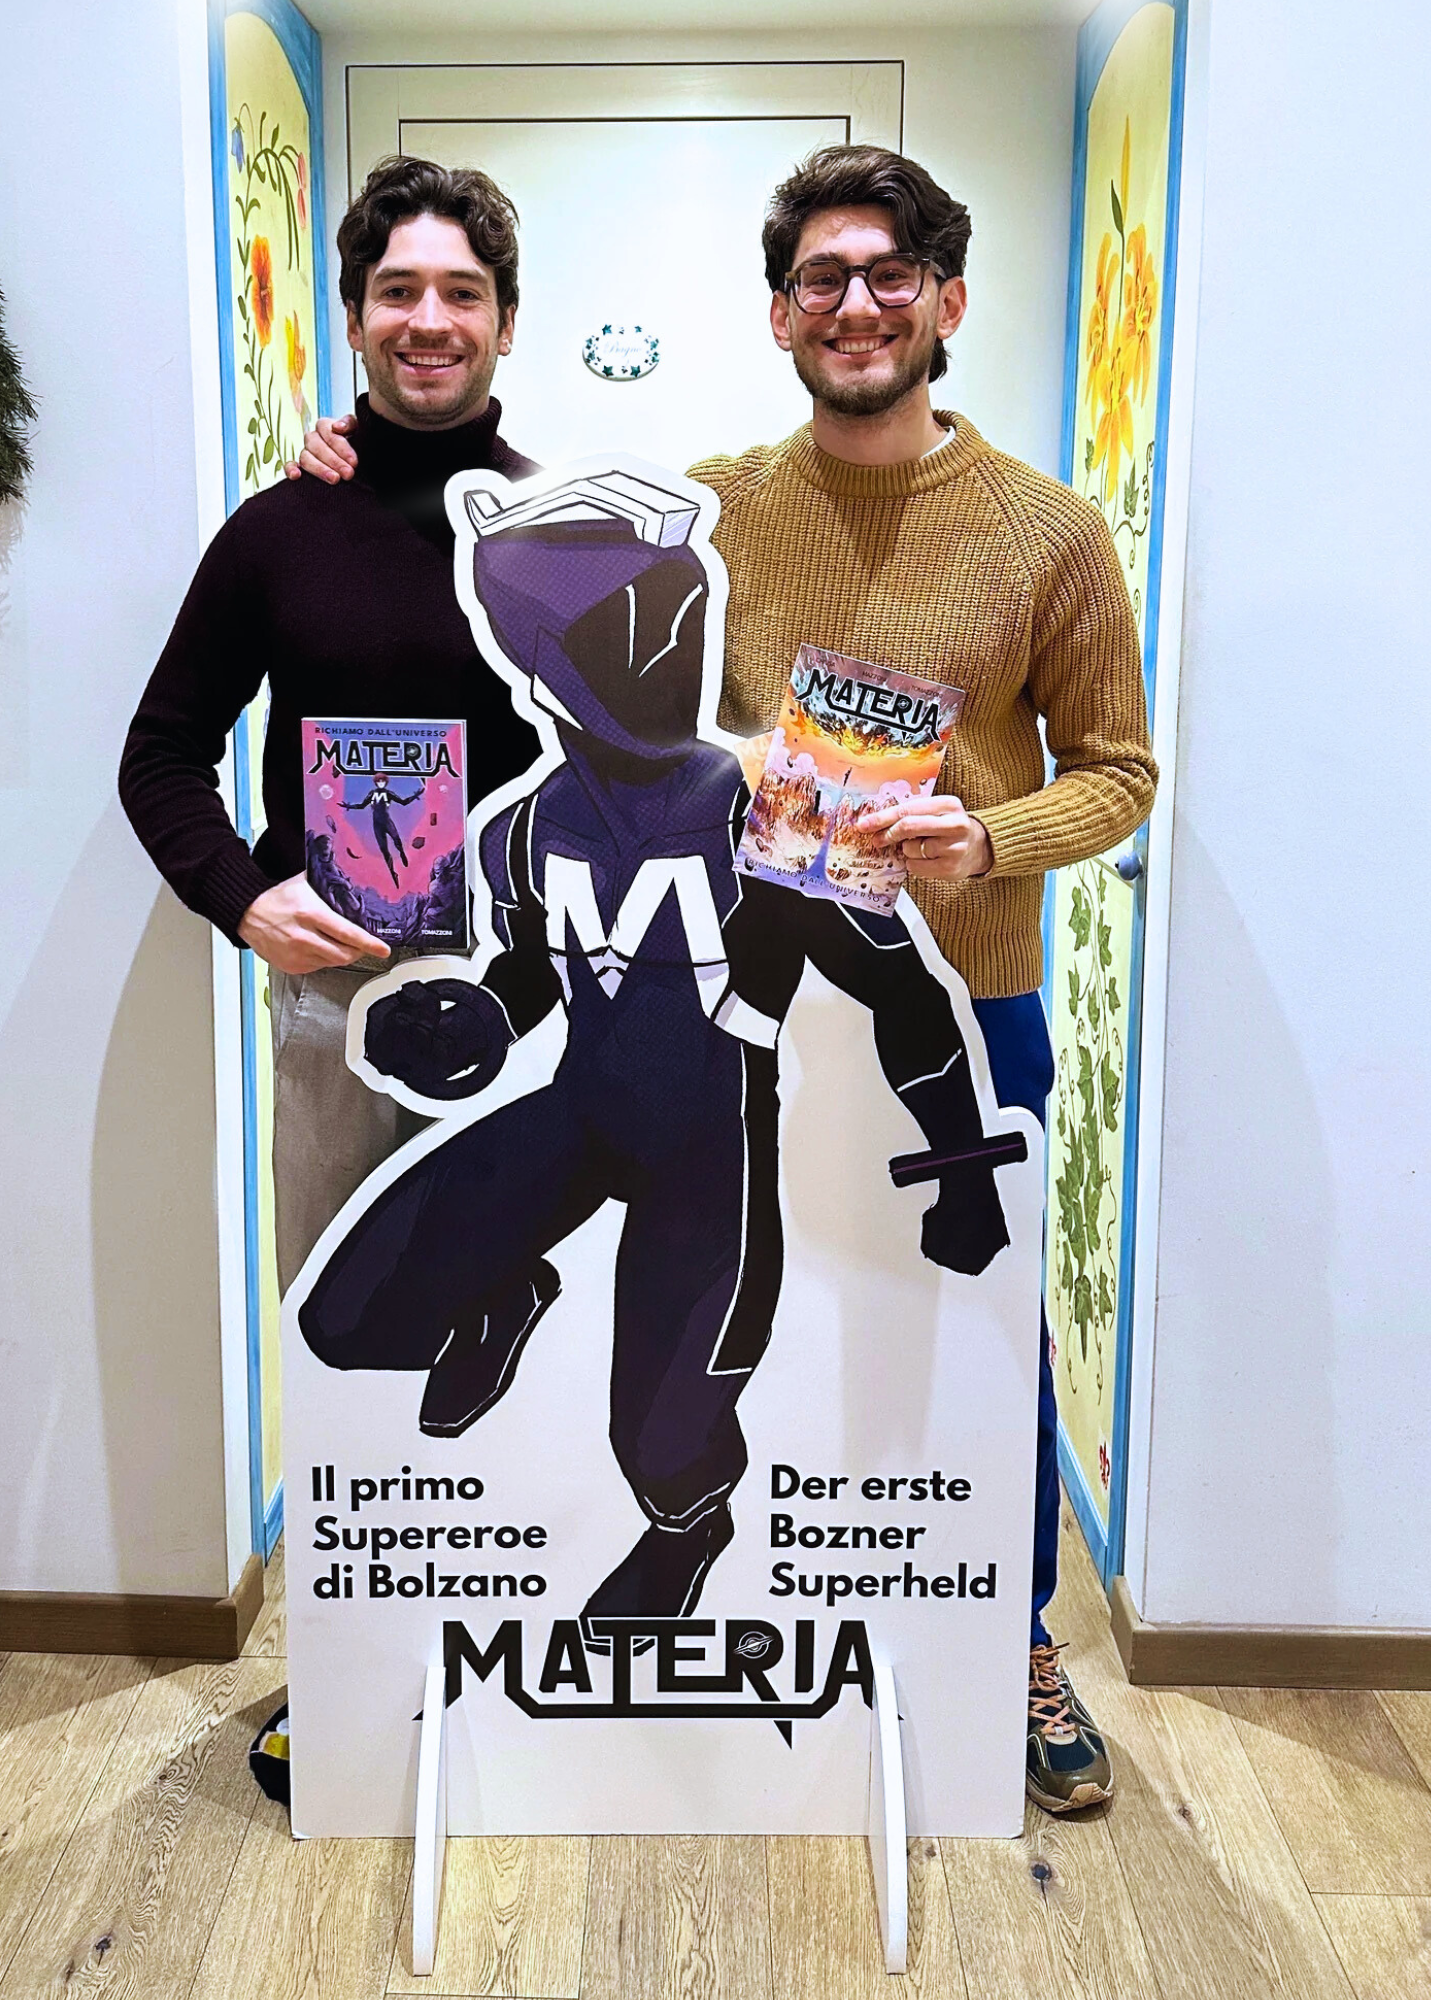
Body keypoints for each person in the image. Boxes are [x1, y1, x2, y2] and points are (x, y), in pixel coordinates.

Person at [293, 143, 1157, 1814]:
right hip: (708, 1015)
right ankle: (694, 1501)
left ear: (946, 300)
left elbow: (1119, 772)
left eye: (891, 274)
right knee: (661, 1331)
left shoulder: (1046, 532)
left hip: (958, 986)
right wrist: (356, 467)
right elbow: (515, 563)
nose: (857, 305)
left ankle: (1014, 1637)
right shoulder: (713, 507)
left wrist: (986, 841)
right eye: (823, 278)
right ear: (779, 313)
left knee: (970, 1343)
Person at [121, 155, 541, 1295]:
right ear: (354, 320)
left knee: (521, 1322)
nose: (429, 320)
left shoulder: (558, 531)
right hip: (336, 990)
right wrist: (244, 898)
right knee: (338, 1322)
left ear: (506, 323)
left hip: (533, 989)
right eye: (397, 291)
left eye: (462, 292)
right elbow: (159, 755)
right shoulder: (278, 531)